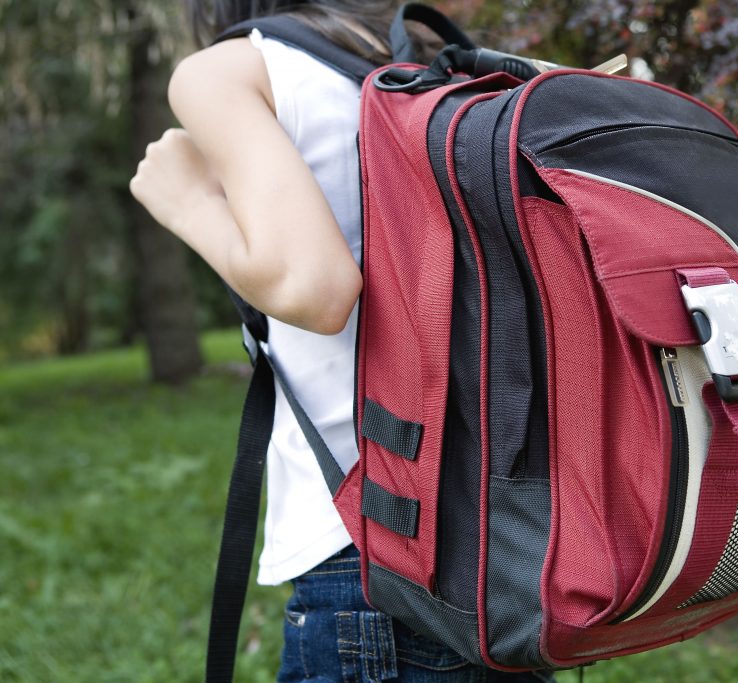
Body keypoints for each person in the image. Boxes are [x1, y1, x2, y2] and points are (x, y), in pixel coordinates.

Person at [129, 1, 552, 680]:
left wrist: (188, 203)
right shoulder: (410, 65)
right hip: (504, 546)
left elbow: (317, 289)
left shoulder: (227, 71)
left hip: (372, 552)